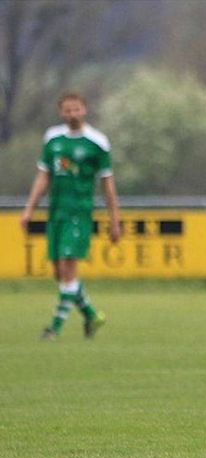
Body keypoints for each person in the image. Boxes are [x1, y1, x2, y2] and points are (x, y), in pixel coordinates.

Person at [20, 92, 121, 341]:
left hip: (79, 212)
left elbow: (107, 184)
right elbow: (43, 176)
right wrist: (29, 209)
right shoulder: (53, 139)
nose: (72, 114)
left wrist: (114, 220)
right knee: (59, 273)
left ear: (84, 110)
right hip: (56, 212)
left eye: (76, 109)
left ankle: (53, 328)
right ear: (61, 112)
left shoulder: (97, 142)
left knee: (68, 267)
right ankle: (91, 315)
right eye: (68, 110)